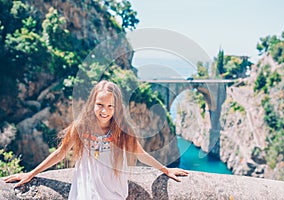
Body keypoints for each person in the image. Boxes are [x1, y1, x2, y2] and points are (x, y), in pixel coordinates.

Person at [4, 80, 188, 199]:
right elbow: (60, 154)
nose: (104, 110)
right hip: (86, 192)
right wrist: (30, 174)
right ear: (92, 103)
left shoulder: (123, 131)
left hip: (114, 192)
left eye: (110, 106)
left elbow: (141, 153)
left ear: (117, 107)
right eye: (100, 104)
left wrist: (165, 169)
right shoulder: (80, 127)